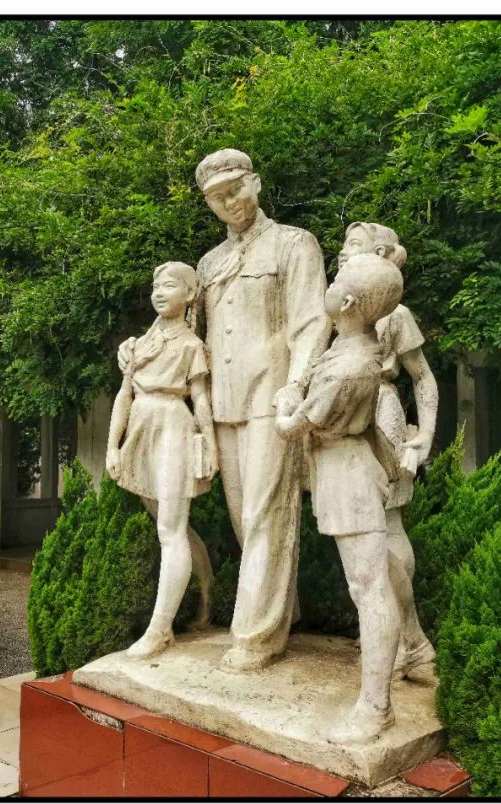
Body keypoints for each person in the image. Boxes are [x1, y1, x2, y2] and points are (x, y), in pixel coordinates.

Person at [164, 148, 330, 673]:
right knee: (245, 518)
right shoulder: (210, 264)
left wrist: (298, 383)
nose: (228, 201)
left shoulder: (293, 244)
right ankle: (285, 611)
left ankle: (256, 635)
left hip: (271, 392)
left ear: (255, 182)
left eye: (235, 188)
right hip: (227, 400)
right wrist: (142, 349)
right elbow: (191, 336)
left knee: (264, 513)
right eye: (216, 197)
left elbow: (310, 322)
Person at [275, 252, 405, 744]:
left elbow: (292, 427)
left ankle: (376, 708)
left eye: (337, 280)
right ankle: (383, 689)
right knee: (372, 584)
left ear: (347, 300)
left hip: (347, 474)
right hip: (344, 470)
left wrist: (283, 402)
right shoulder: (354, 345)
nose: (329, 281)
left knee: (369, 589)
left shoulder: (347, 367)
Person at [337, 222, 438, 677]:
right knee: (363, 539)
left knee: (386, 529)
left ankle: (402, 642)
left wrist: (425, 437)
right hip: (343, 420)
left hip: (380, 417)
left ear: (378, 254)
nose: (342, 253)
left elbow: (424, 377)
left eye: (353, 246)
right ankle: (409, 640)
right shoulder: (340, 311)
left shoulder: (394, 315)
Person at [106, 262, 218, 659]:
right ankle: (208, 593)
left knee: (171, 529)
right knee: (171, 527)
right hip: (140, 430)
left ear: (189, 295)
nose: (158, 291)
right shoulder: (138, 344)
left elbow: (200, 398)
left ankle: (160, 628)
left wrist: (209, 445)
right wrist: (112, 445)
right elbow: (124, 395)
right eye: (155, 285)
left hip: (174, 427)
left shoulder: (191, 346)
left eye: (169, 285)